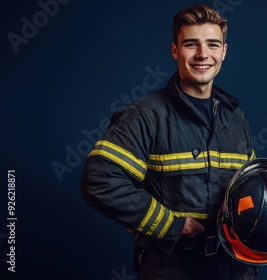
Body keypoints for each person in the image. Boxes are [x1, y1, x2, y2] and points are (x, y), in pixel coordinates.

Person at [80, 4, 257, 279]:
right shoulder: (146, 116)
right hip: (172, 269)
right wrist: (168, 224)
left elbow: (250, 188)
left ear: (224, 51)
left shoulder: (236, 120)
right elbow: (99, 181)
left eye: (212, 44)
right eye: (191, 44)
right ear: (175, 50)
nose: (202, 54)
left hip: (234, 268)